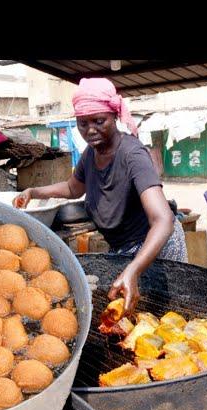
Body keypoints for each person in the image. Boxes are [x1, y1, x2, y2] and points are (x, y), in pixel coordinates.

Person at [13, 78, 187, 315]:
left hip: (154, 247)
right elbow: (73, 188)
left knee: (159, 314)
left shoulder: (132, 154)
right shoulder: (91, 153)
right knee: (123, 316)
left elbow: (163, 220)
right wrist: (34, 192)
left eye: (99, 121)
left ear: (114, 117)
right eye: (82, 123)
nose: (90, 130)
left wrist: (134, 270)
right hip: (122, 248)